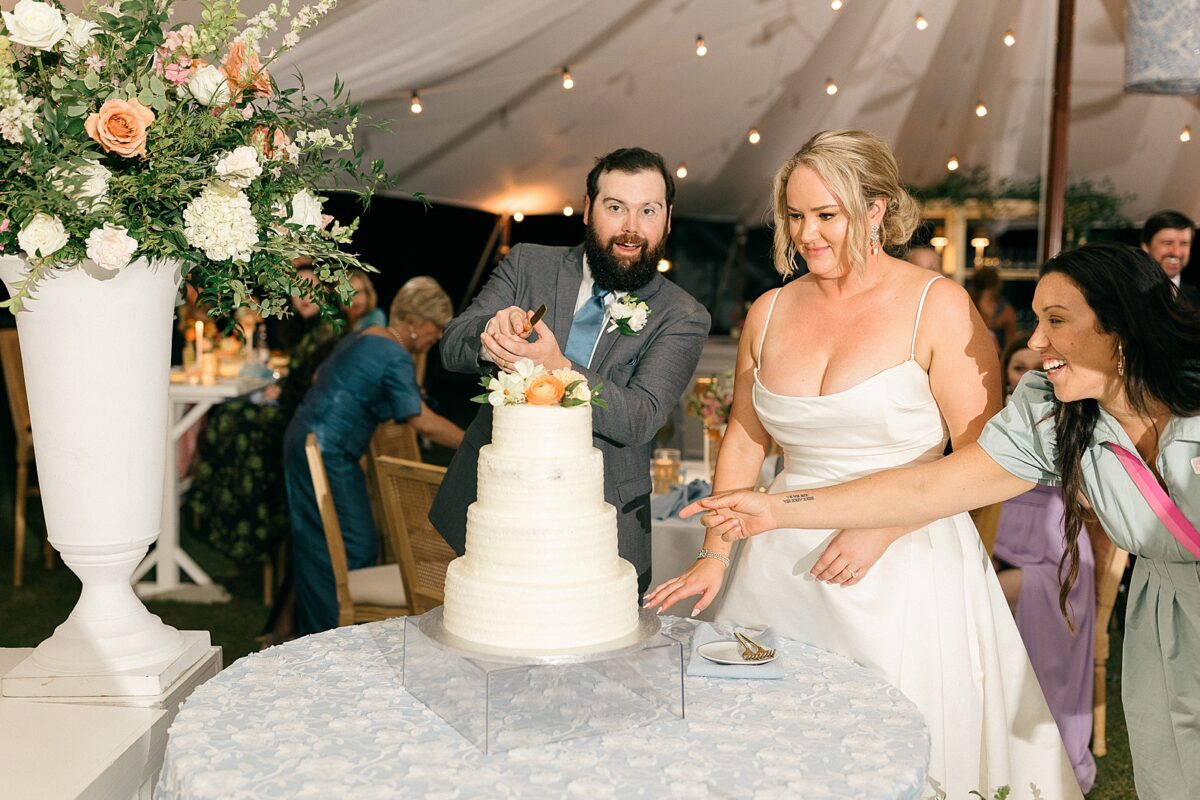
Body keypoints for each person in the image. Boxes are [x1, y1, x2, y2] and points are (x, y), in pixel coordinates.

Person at [679, 243, 1200, 800]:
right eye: (1037, 320)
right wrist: (776, 509)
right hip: (1161, 619)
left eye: (1056, 320)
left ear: (1119, 327)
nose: (1034, 342)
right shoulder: (1053, 412)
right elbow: (930, 487)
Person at [645, 129, 1079, 797]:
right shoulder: (768, 310)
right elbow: (744, 438)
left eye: (826, 215)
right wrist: (714, 552)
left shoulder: (939, 307)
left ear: (876, 208)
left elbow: (984, 459)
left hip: (901, 560)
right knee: (769, 746)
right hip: (778, 559)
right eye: (794, 215)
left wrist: (886, 525)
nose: (806, 235)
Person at [430, 147, 710, 593]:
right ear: (587, 209)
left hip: (601, 534)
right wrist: (490, 334)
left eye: (648, 211)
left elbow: (640, 417)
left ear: (668, 220)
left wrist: (557, 367)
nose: (631, 228)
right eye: (615, 207)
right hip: (492, 515)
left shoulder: (683, 315)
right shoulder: (527, 264)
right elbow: (451, 346)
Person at [284, 276, 465, 635]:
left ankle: (317, 631)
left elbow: (325, 375)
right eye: (437, 328)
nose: (438, 337)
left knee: (327, 544)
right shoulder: (393, 353)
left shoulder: (368, 336)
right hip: (326, 450)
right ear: (415, 323)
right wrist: (472, 443)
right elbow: (423, 423)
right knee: (350, 547)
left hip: (311, 441)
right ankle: (332, 638)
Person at [992, 333, 1097, 792]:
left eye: (1038, 369)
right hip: (997, 542)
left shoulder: (1077, 423)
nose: (1027, 378)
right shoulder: (989, 426)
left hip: (1054, 559)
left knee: (981, 596)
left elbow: (1092, 501)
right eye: (1017, 368)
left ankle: (1024, 744)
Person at [1141, 209, 1200, 306]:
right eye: (1168, 243)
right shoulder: (1125, 293)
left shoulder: (1196, 297)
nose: (1176, 252)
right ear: (1146, 247)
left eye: (1184, 244)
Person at [970, 264, 1018, 351]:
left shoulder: (1005, 310)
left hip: (997, 359)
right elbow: (1011, 343)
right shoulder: (1006, 311)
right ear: (996, 285)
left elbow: (1010, 344)